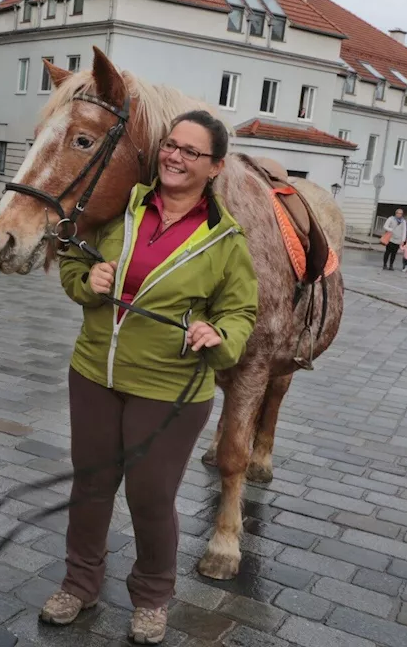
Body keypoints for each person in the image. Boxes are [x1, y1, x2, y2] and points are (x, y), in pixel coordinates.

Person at [47, 110, 259, 644]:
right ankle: (79, 584)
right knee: (91, 485)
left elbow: (241, 314)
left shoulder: (225, 240)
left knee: (150, 496)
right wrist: (85, 279)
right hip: (94, 371)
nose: (176, 157)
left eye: (192, 151)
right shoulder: (123, 209)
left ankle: (151, 598)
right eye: (171, 145)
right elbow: (72, 255)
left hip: (170, 389)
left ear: (214, 167)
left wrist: (219, 335)